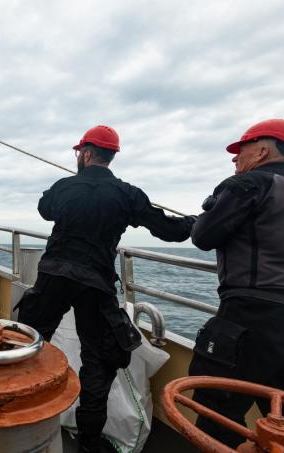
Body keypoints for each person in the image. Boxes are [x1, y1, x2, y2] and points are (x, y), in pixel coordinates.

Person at [16, 125, 196, 453]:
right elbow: (170, 231)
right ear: (110, 157)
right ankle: (88, 442)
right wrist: (195, 222)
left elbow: (45, 209)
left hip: (53, 276)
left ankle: (17, 416)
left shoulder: (64, 186)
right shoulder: (128, 195)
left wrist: (68, 188)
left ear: (86, 154)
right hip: (95, 284)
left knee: (29, 344)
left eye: (78, 154)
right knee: (98, 361)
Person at [190, 119, 284, 450]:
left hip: (253, 313)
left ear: (262, 150)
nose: (234, 159)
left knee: (216, 409)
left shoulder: (246, 184)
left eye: (239, 151)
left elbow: (203, 235)